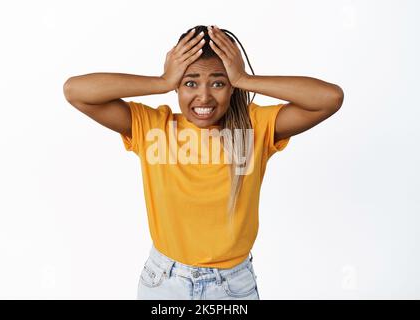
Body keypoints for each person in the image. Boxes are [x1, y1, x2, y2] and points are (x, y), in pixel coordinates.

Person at [63, 24, 344, 300]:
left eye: (219, 83)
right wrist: (160, 82)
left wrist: (244, 79)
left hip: (232, 286)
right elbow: (75, 90)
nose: (204, 96)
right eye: (190, 82)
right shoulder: (152, 127)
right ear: (176, 86)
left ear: (231, 87)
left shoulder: (253, 128)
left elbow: (329, 98)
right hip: (163, 282)